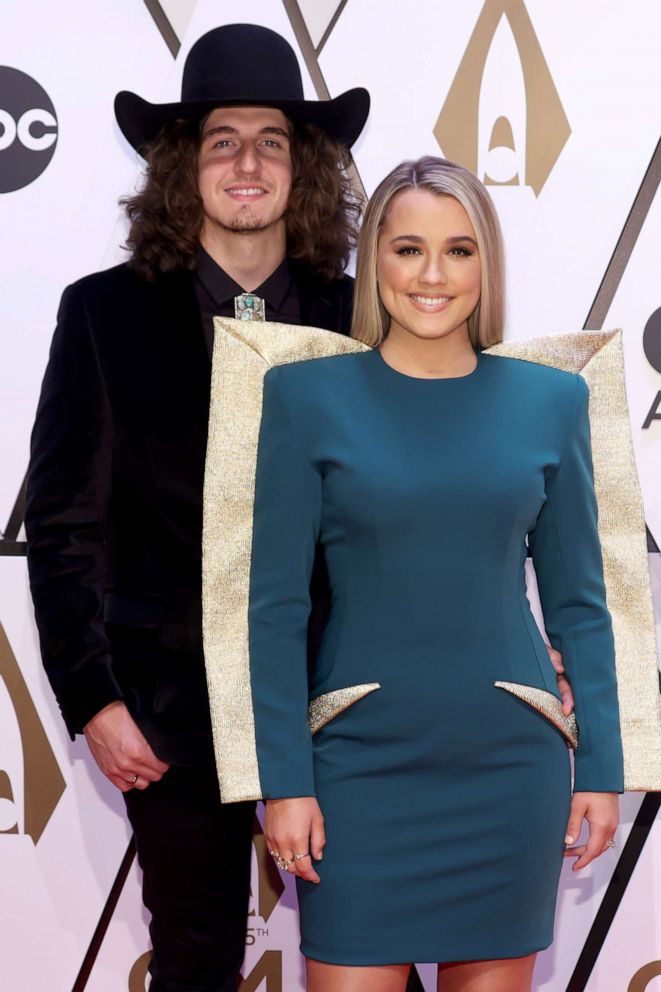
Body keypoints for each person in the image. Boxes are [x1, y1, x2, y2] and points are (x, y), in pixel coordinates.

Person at [203, 156, 631, 992]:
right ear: (375, 262)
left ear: (485, 264)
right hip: (356, 768)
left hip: (510, 767)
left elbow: (583, 604)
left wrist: (605, 770)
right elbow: (273, 610)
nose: (432, 275)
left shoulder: (550, 402)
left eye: (458, 250)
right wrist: (281, 780)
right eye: (406, 249)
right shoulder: (302, 396)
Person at [24, 23, 370, 992]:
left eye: (272, 139)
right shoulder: (104, 312)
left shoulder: (365, 318)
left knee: (370, 956)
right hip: (172, 711)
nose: (248, 161)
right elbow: (62, 525)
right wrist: (91, 693)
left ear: (302, 168)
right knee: (195, 958)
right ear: (185, 167)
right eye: (223, 139)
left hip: (340, 706)